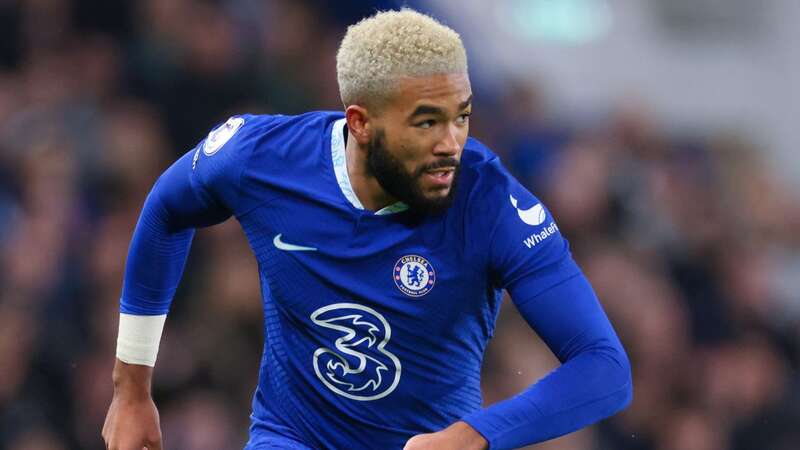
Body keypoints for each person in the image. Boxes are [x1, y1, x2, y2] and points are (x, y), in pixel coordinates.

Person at [102, 9, 632, 450]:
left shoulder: (490, 202)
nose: (452, 142)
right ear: (359, 122)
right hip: (292, 437)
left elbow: (604, 367)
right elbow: (167, 209)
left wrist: (473, 436)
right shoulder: (259, 159)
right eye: (427, 122)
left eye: (462, 116)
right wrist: (131, 389)